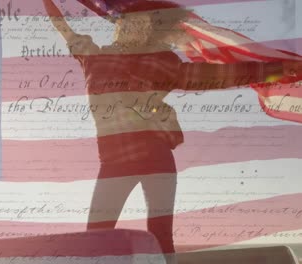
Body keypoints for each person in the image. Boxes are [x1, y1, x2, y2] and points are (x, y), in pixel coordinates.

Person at [42, 0, 301, 262]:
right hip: (113, 161)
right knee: (96, 233)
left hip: (155, 154)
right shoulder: (93, 56)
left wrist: (276, 70)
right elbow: (61, 26)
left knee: (160, 233)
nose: (137, 29)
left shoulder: (161, 62)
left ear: (153, 32)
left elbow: (219, 74)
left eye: (146, 25)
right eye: (132, 22)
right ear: (119, 25)